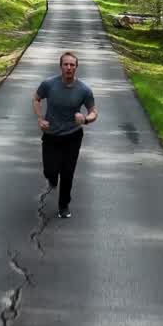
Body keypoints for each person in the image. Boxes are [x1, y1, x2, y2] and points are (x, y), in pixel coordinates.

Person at [33, 51, 97, 218]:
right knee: (50, 170)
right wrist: (40, 119)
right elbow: (36, 98)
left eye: (72, 65)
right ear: (60, 66)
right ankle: (52, 179)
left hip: (72, 136)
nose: (69, 68)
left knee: (68, 171)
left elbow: (93, 112)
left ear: (76, 67)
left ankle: (64, 205)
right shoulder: (49, 84)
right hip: (51, 135)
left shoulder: (84, 90)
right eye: (65, 64)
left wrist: (85, 119)